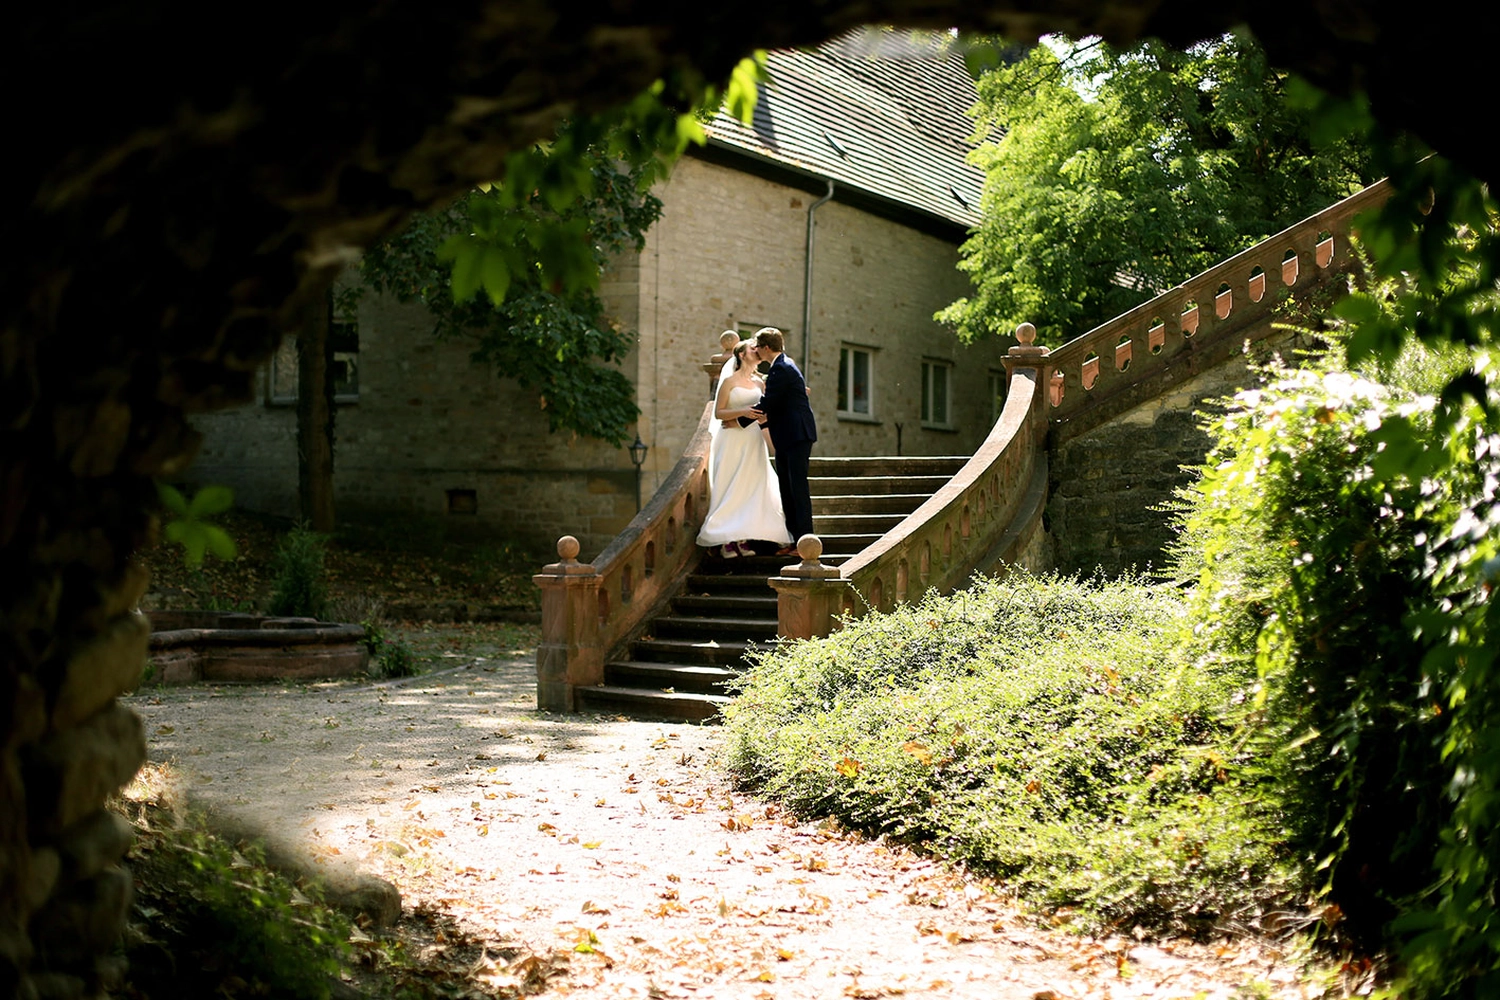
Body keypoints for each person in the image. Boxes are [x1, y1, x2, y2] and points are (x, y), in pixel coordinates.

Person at [695, 340, 794, 558]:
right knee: (732, 486)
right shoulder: (730, 381)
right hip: (731, 439)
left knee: (752, 486)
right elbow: (719, 413)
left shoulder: (760, 382)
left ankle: (743, 538)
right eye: (752, 348)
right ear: (741, 354)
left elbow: (767, 409)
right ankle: (727, 541)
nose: (757, 350)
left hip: (753, 439)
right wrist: (742, 412)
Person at [749, 327, 816, 553]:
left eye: (758, 347)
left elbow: (769, 403)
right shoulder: (781, 366)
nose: (756, 351)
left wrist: (738, 420)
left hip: (796, 435)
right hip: (788, 435)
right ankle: (795, 540)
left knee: (797, 489)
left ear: (766, 348)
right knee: (787, 489)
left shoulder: (782, 369)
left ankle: (805, 540)